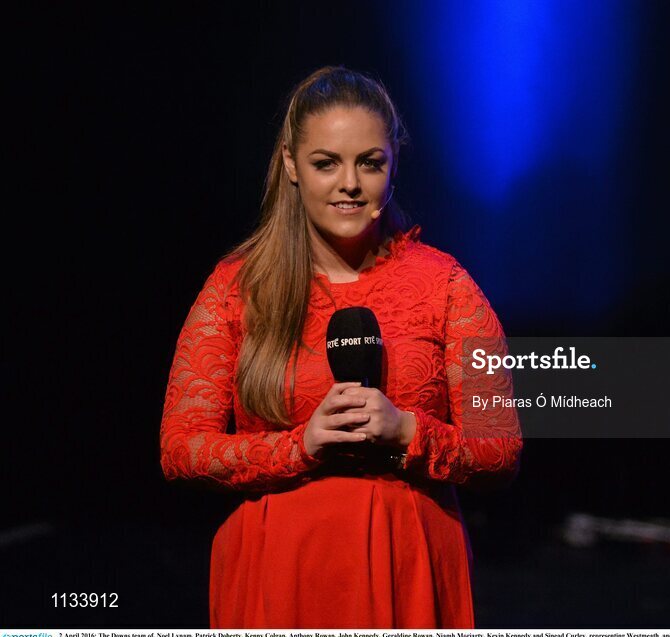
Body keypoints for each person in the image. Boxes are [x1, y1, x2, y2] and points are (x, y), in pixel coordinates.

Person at [159, 65, 523, 629]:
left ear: (393, 164)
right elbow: (181, 449)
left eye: (369, 163)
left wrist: (406, 431)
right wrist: (299, 446)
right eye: (326, 163)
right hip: (276, 560)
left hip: (409, 559)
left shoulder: (444, 284)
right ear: (290, 166)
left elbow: (499, 450)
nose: (349, 184)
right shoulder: (239, 286)